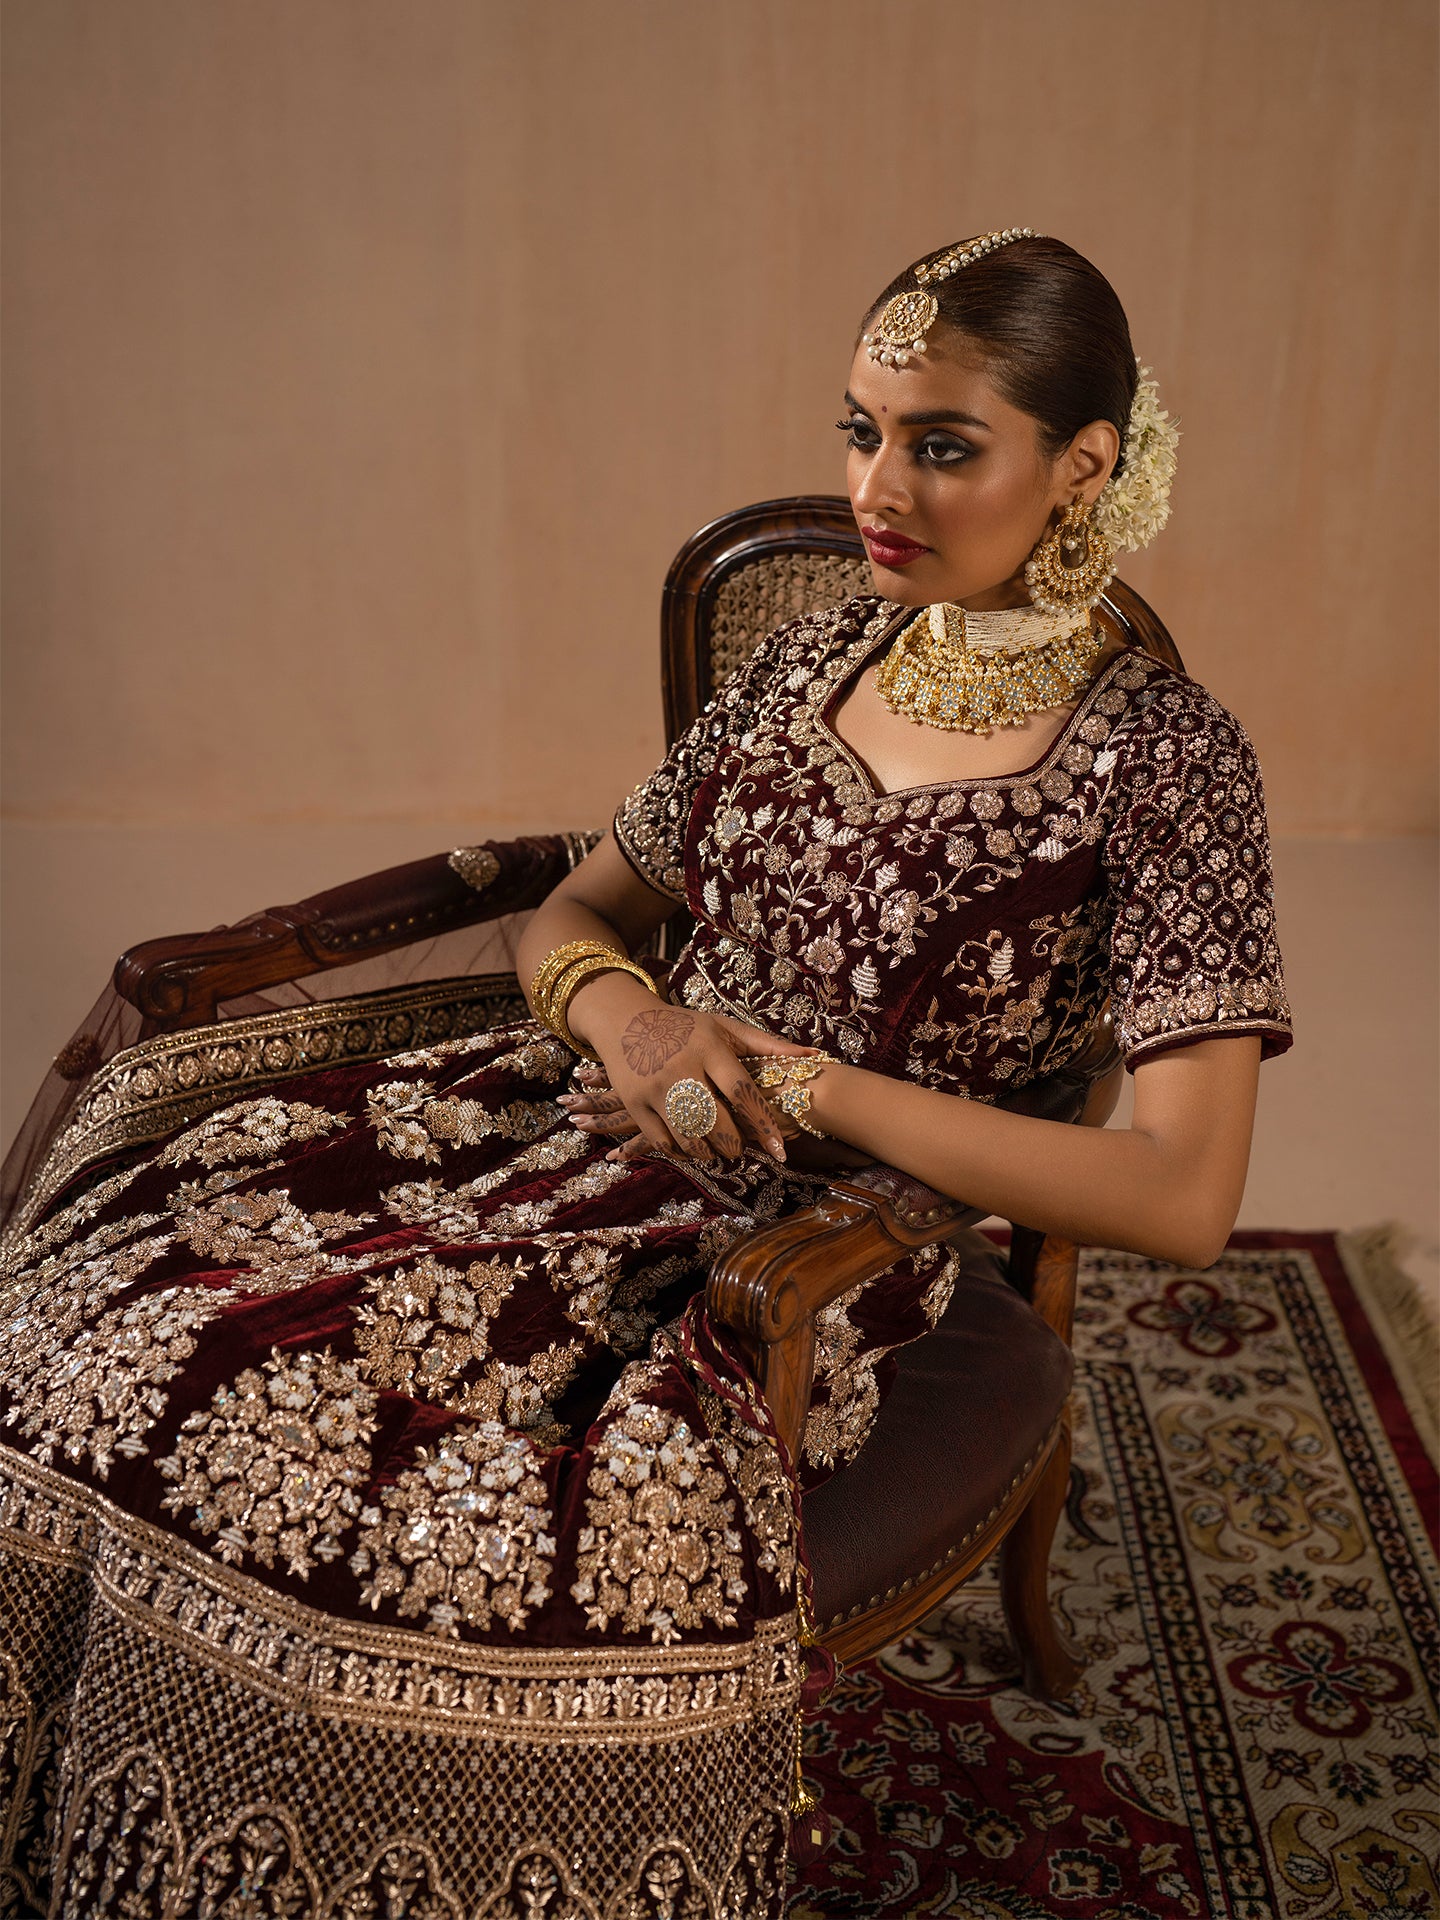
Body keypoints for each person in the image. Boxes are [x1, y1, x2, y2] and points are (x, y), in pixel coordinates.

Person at [0, 232, 1289, 1919]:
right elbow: (579, 912)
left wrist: (790, 1082)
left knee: (363, 1494)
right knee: (119, 1310)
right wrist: (633, 1023)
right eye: (861, 431)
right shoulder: (806, 663)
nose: (875, 487)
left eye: (943, 443)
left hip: (823, 1250)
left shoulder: (1171, 761)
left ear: (1087, 465)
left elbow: (1184, 1200)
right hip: (569, 1119)